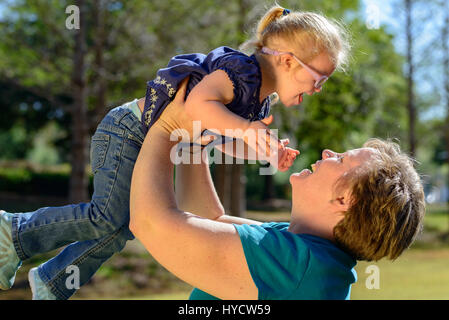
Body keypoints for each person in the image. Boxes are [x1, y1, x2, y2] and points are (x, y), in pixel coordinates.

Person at [0, 5, 349, 299]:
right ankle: (15, 230)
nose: (317, 90)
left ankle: (53, 280)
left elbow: (213, 136)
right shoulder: (240, 72)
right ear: (288, 61)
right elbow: (198, 105)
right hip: (130, 131)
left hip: (159, 143)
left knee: (121, 226)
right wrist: (244, 129)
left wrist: (261, 151)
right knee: (107, 217)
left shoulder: (258, 104)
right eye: (318, 79)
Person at [130, 122, 426, 299]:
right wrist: (193, 137)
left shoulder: (299, 265)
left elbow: (150, 224)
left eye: (340, 160)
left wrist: (166, 124)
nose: (327, 153)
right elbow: (208, 221)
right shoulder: (307, 253)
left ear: (345, 200)